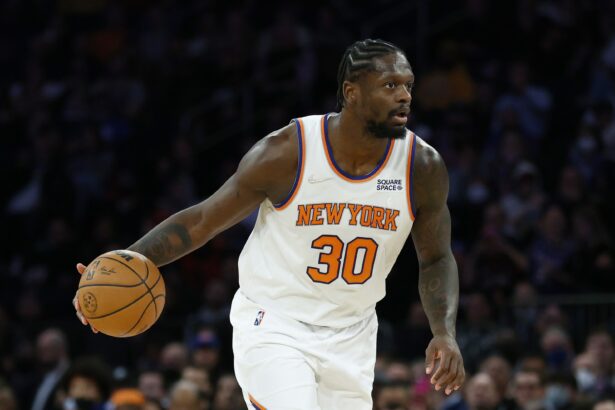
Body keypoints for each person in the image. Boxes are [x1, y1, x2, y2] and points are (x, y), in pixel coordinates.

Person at [74, 38, 465, 409]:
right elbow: (203, 220)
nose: (404, 95)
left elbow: (436, 257)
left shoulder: (422, 167)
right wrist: (123, 262)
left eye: (408, 85)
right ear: (352, 92)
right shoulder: (288, 151)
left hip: (354, 334)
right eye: (390, 85)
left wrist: (444, 332)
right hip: (276, 323)